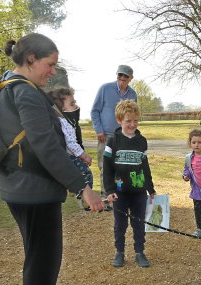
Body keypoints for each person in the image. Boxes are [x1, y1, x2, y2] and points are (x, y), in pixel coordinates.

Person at [0, 33, 105, 285]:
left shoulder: (14, 86)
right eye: (50, 64)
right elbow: (46, 146)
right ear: (31, 59)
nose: (53, 71)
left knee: (47, 252)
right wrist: (83, 187)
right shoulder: (26, 93)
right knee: (40, 256)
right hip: (30, 189)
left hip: (29, 186)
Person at [103, 100, 156, 268]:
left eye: (135, 120)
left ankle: (139, 252)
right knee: (120, 224)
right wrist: (109, 190)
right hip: (120, 193)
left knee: (138, 223)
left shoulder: (142, 141)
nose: (132, 124)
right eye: (128, 121)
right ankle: (119, 252)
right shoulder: (112, 141)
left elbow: (145, 166)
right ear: (120, 120)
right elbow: (107, 169)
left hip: (139, 192)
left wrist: (150, 187)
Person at [91, 64, 137, 205]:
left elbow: (134, 115)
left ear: (131, 78)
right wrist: (99, 130)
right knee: (105, 167)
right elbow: (95, 111)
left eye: (125, 76)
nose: (122, 78)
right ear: (116, 75)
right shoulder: (105, 89)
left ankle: (119, 195)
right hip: (106, 135)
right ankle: (107, 196)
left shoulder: (133, 94)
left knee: (122, 166)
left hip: (123, 137)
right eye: (120, 75)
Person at [47, 87, 93, 210]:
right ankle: (85, 198)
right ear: (61, 109)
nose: (76, 106)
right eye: (72, 104)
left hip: (64, 157)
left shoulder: (62, 122)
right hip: (68, 157)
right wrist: (84, 155)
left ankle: (75, 190)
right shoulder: (65, 123)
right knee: (86, 173)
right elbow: (71, 144)